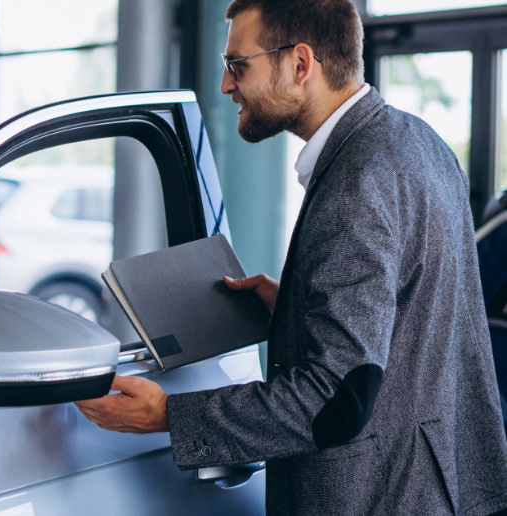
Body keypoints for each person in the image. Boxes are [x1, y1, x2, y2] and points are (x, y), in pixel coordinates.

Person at [76, 1, 507, 514]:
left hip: (378, 495)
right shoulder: (420, 143)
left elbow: (335, 400)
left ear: (300, 65)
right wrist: (300, 307)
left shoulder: (357, 181)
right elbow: (421, 321)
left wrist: (171, 414)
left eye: (238, 64)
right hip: (440, 488)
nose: (225, 84)